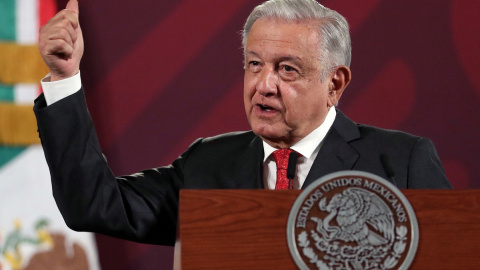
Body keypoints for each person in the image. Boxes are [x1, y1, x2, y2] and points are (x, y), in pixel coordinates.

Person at [34, 0, 451, 246]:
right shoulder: (207, 163)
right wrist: (64, 79)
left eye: (287, 69)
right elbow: (94, 205)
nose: (263, 85)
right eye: (254, 64)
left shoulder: (402, 161)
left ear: (334, 84)